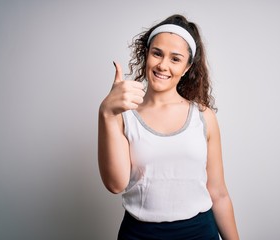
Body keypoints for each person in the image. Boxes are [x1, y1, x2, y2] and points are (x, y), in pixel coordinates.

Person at [98, 14, 240, 240]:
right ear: (147, 55)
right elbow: (116, 185)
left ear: (186, 67)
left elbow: (219, 194)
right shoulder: (124, 115)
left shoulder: (204, 117)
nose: (163, 65)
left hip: (199, 232)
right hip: (140, 234)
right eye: (157, 53)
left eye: (175, 59)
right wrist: (106, 113)